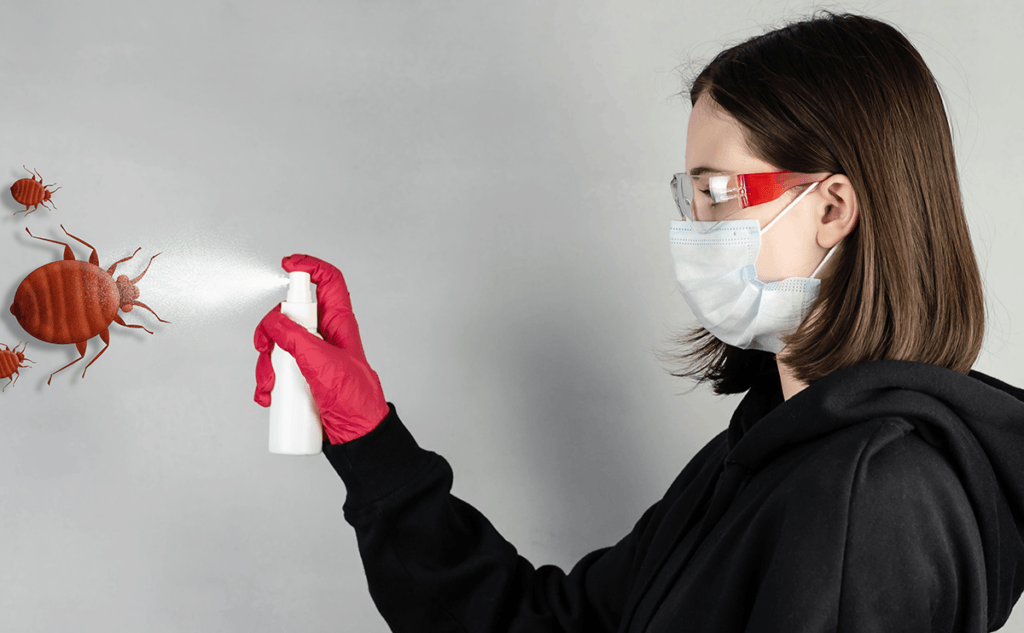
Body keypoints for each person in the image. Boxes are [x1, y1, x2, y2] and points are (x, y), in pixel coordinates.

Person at [253, 10, 1024, 632]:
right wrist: (368, 438)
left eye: (717, 193)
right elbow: (554, 624)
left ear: (831, 208)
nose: (692, 226)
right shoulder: (764, 448)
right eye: (688, 196)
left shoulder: (880, 497)